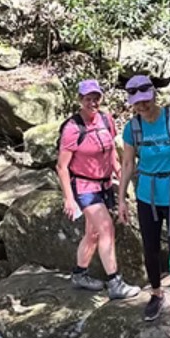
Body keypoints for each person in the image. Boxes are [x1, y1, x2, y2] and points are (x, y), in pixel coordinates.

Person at [118, 74, 170, 326]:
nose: (142, 106)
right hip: (147, 195)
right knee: (150, 248)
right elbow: (128, 164)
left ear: (154, 95)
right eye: (137, 103)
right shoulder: (132, 128)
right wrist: (121, 199)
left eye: (145, 100)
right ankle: (156, 293)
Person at [57, 78, 140, 300]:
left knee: (93, 233)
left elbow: (110, 151)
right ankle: (115, 283)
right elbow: (62, 167)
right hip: (84, 186)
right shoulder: (72, 128)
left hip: (104, 185)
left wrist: (120, 174)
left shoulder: (106, 119)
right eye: (88, 99)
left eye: (96, 98)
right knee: (106, 229)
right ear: (80, 99)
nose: (92, 103)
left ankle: (79, 275)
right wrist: (68, 198)